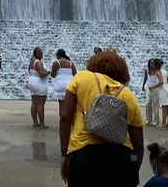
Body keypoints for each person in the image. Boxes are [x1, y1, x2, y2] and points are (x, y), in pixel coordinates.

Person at [59, 50, 145, 187]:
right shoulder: (129, 96)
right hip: (120, 159)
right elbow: (139, 145)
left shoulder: (81, 78)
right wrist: (132, 171)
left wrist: (64, 154)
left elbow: (65, 117)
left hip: (83, 156)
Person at [28, 47, 50, 129]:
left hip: (32, 82)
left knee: (34, 103)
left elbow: (29, 71)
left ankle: (35, 122)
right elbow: (41, 74)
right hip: (39, 83)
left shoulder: (31, 61)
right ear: (36, 53)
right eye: (40, 53)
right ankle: (42, 124)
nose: (41, 55)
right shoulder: (38, 63)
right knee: (41, 104)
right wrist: (48, 73)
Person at [51, 49, 77, 116]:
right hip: (69, 85)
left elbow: (53, 75)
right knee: (69, 105)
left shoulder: (56, 63)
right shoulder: (70, 63)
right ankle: (69, 122)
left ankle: (62, 123)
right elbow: (75, 74)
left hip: (59, 85)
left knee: (61, 105)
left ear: (58, 55)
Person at [143, 58, 163, 127]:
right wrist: (143, 86)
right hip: (149, 87)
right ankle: (149, 120)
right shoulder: (147, 69)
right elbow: (145, 78)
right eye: (150, 63)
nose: (151, 64)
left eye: (152, 63)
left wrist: (154, 86)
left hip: (155, 88)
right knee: (148, 103)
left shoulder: (157, 71)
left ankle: (155, 121)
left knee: (155, 104)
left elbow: (161, 82)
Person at [156, 60, 168, 129]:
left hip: (162, 89)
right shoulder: (165, 71)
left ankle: (163, 123)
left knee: (164, 107)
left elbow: (160, 82)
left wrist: (153, 86)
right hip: (167, 88)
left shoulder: (158, 72)